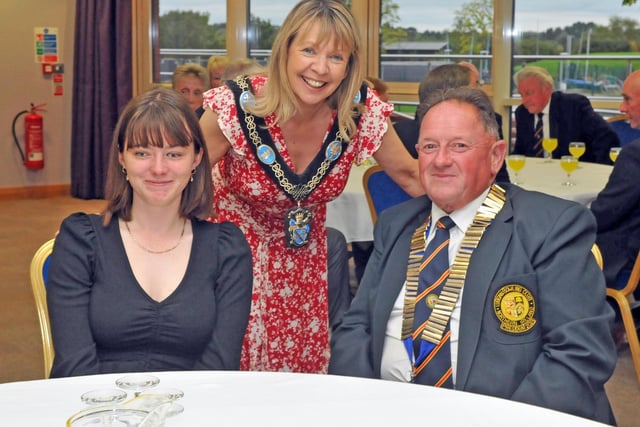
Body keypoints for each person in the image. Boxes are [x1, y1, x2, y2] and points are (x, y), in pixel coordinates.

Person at [329, 87, 617, 425]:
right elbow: (357, 327)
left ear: (496, 156)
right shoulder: (397, 225)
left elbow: (578, 354)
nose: (440, 160)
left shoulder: (551, 227)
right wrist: (359, 407)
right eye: (430, 147)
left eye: (459, 146)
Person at [199, 0, 422, 374]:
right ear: (285, 49)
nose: (320, 68)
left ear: (349, 65)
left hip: (303, 266)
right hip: (229, 258)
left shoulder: (359, 112)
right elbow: (182, 176)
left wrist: (491, 213)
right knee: (232, 375)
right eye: (308, 50)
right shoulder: (239, 106)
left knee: (298, 376)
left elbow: (411, 176)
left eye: (336, 57)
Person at [47, 87, 253, 377]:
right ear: (122, 158)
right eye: (142, 152)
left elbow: (220, 368)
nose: (158, 168)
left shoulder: (227, 250)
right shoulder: (80, 241)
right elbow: (74, 368)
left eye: (174, 153)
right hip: (97, 413)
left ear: (196, 159)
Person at [395, 63, 510, 183]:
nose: (441, 160)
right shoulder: (400, 136)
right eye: (476, 85)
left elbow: (500, 178)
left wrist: (503, 201)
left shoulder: (487, 123)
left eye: (460, 145)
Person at [591, 69, 640, 295]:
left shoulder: (635, 154)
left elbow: (603, 215)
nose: (622, 108)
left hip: (624, 265)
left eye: (627, 99)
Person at [513, 65, 620, 164]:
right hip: (534, 175)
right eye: (521, 95)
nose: (524, 100)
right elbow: (520, 151)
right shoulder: (522, 113)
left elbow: (606, 136)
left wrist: (598, 170)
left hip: (572, 172)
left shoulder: (573, 106)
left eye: (529, 93)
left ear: (547, 89)